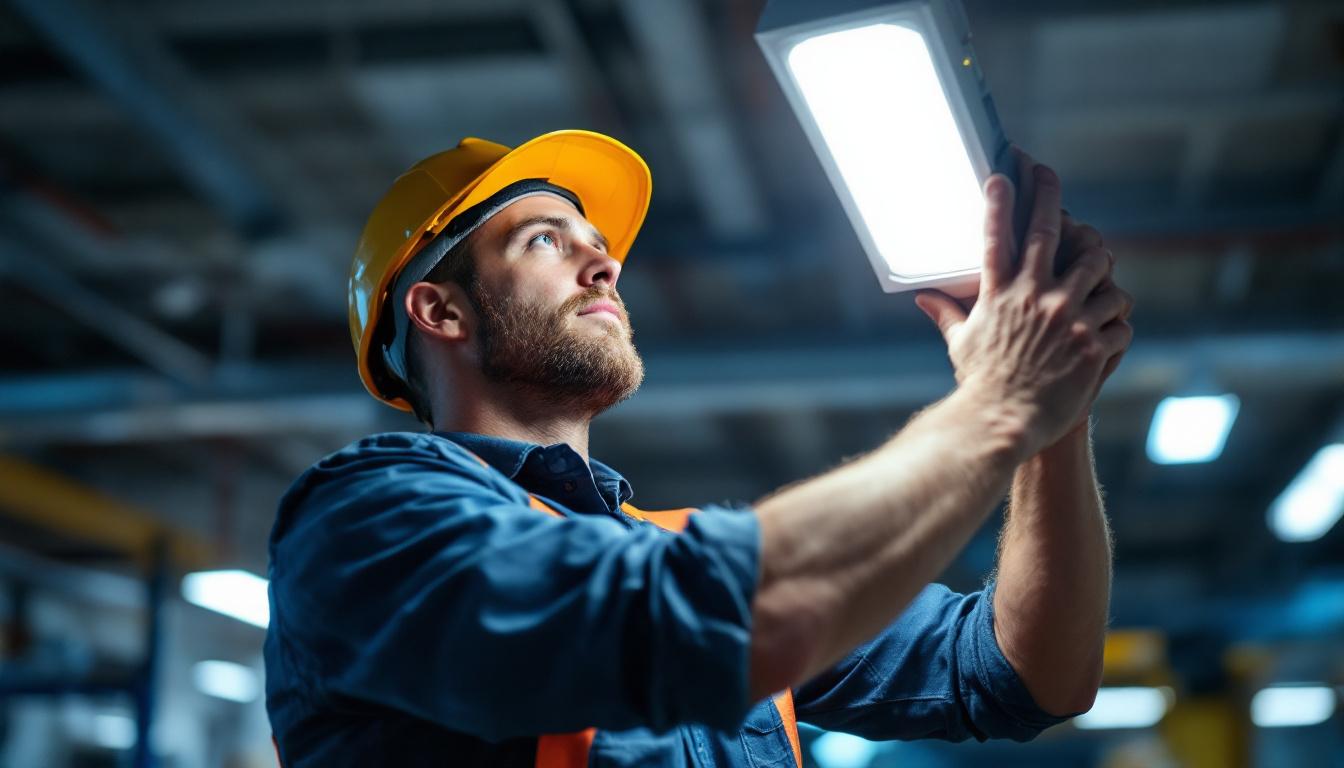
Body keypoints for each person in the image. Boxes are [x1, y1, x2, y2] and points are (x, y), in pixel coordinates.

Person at [263, 130, 1133, 767]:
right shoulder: (364, 519)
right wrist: (998, 403)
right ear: (440, 311)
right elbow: (660, 617)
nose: (603, 265)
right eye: (544, 242)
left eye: (600, 248)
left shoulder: (670, 546)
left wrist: (1055, 422)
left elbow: (1026, 676)